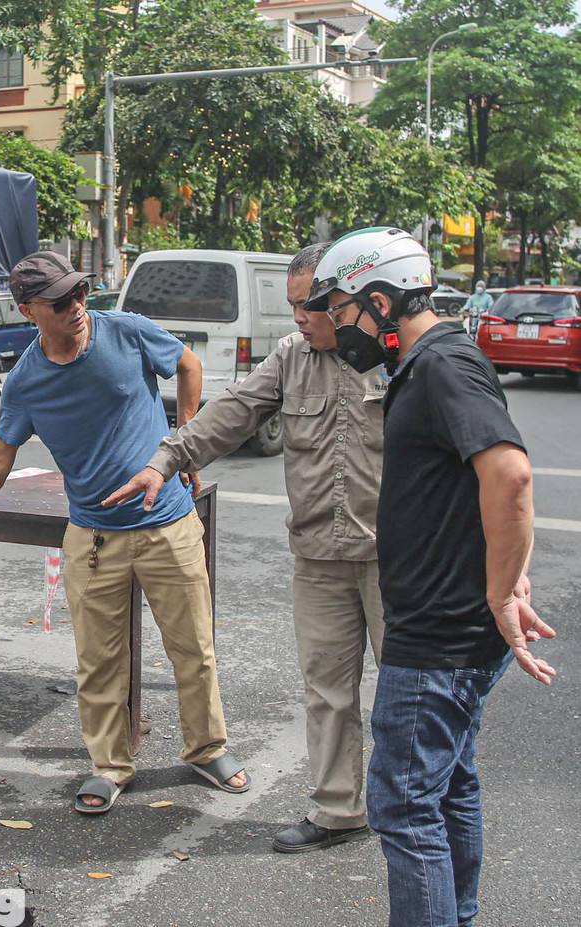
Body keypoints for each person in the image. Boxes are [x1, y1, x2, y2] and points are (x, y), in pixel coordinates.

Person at [304, 227, 556, 926]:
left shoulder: (443, 363)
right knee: (448, 787)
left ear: (381, 299)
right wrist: (506, 574)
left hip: (436, 639)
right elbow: (480, 487)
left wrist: (505, 587)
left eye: (344, 307)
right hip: (451, 626)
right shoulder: (432, 362)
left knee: (405, 804)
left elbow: (510, 473)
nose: (337, 323)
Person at [108, 241, 385, 852]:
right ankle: (340, 811)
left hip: (394, 558)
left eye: (309, 304)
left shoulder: (399, 359)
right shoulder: (291, 357)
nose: (299, 318)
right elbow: (231, 413)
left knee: (407, 694)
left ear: (348, 299)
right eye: (292, 306)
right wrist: (167, 459)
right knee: (328, 690)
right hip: (318, 555)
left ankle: (417, 811)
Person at [0, 250, 248, 814]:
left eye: (81, 293)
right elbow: (0, 453)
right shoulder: (27, 381)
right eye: (61, 302)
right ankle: (110, 765)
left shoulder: (126, 332)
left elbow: (188, 364)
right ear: (28, 311)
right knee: (99, 660)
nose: (78, 307)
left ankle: (207, 749)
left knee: (194, 647)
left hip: (169, 524)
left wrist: (185, 443)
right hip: (93, 538)